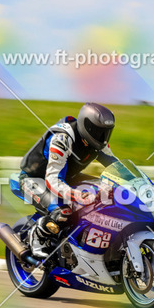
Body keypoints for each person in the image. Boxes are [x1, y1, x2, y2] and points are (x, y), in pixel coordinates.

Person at [19, 102, 119, 258]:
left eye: (106, 132)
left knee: (108, 193)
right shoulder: (62, 139)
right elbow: (52, 179)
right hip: (34, 179)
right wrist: (76, 195)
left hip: (67, 178)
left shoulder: (99, 143)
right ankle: (37, 236)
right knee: (63, 211)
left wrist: (135, 182)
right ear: (87, 127)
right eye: (99, 132)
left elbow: (116, 167)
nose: (103, 137)